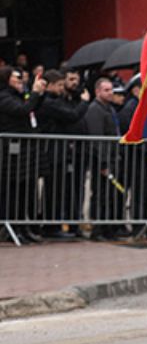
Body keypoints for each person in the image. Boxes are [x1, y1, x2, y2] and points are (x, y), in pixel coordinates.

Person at [36, 69, 90, 238]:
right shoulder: (48, 102)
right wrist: (84, 102)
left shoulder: (60, 100)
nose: (61, 88)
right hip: (53, 152)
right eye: (59, 85)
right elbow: (71, 116)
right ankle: (51, 226)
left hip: (63, 152)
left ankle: (59, 224)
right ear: (50, 85)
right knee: (54, 191)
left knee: (63, 190)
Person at [0, 66, 46, 244]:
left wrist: (38, 94)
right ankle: (13, 227)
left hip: (26, 150)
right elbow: (22, 110)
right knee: (13, 191)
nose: (20, 80)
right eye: (16, 78)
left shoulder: (18, 95)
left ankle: (24, 227)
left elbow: (32, 108)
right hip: (12, 152)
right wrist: (34, 94)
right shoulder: (4, 97)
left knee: (25, 191)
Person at [84, 76, 125, 239]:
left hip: (113, 157)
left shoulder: (109, 108)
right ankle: (98, 229)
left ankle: (109, 227)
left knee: (110, 195)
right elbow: (97, 138)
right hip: (102, 160)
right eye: (106, 90)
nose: (110, 93)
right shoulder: (95, 109)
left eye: (111, 90)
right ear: (97, 91)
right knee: (101, 195)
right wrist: (103, 162)